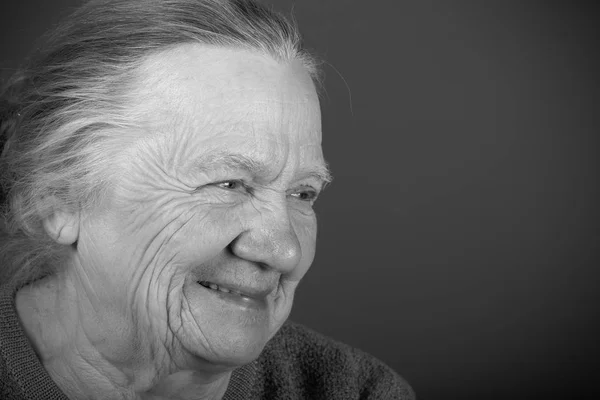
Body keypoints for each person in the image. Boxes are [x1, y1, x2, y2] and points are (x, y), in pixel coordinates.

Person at [0, 0, 415, 398]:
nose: (285, 252)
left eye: (302, 193)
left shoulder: (356, 390)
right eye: (229, 184)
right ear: (55, 199)